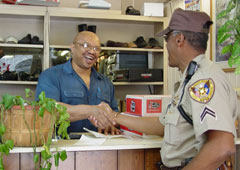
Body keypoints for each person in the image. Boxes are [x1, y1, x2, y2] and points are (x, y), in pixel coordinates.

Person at [99, 8, 239, 170]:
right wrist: (115, 117)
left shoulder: (204, 82)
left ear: (179, 39)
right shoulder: (190, 79)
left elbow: (222, 145)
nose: (166, 45)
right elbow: (163, 125)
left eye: (167, 39)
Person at [36, 31, 119, 134]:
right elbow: (48, 111)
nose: (92, 52)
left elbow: (114, 114)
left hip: (99, 145)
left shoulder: (105, 82)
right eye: (86, 45)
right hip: (64, 145)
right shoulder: (51, 76)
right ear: (72, 47)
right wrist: (92, 111)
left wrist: (110, 124)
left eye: (96, 48)